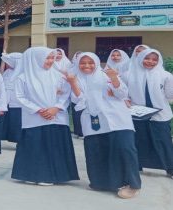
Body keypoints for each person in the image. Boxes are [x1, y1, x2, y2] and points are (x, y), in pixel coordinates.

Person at [67, 52, 141, 199]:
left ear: (96, 62)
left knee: (125, 149)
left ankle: (132, 185)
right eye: (83, 63)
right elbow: (78, 100)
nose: (87, 66)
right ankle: (102, 182)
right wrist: (73, 83)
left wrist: (114, 78)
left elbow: (122, 94)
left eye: (90, 62)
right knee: (98, 151)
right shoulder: (76, 78)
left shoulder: (106, 75)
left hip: (118, 119)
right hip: (93, 119)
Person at [12, 47, 79, 185]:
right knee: (36, 147)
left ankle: (56, 176)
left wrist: (56, 108)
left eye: (51, 58)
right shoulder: (23, 78)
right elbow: (19, 97)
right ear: (35, 59)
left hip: (57, 117)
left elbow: (66, 94)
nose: (50, 61)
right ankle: (34, 175)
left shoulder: (59, 76)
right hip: (34, 118)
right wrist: (38, 110)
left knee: (55, 146)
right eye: (47, 58)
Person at [128, 48, 173, 178]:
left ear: (159, 61)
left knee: (163, 140)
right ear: (140, 58)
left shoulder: (165, 75)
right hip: (138, 114)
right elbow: (123, 93)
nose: (150, 62)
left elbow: (170, 95)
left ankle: (170, 168)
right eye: (147, 58)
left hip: (160, 114)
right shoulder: (129, 74)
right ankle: (137, 165)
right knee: (139, 140)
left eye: (154, 59)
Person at [1, 52, 23, 143]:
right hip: (6, 101)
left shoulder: (23, 73)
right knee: (5, 122)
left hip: (18, 102)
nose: (7, 64)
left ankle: (18, 140)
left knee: (16, 122)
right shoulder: (7, 72)